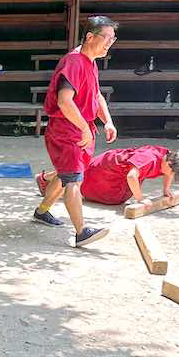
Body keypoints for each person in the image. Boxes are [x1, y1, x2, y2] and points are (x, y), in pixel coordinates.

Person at [32, 15, 118, 247]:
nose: (110, 43)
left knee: (64, 176)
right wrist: (84, 128)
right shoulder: (74, 62)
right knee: (73, 180)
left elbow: (96, 95)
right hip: (67, 130)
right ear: (90, 37)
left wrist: (107, 121)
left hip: (79, 128)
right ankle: (82, 232)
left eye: (113, 38)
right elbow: (64, 101)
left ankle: (42, 211)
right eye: (106, 38)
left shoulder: (90, 61)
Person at [78, 145, 179, 206]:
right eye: (173, 171)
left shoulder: (168, 159)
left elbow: (169, 173)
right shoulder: (149, 159)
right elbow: (131, 176)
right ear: (169, 163)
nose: (171, 174)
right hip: (106, 168)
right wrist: (140, 198)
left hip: (121, 172)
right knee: (110, 199)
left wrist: (166, 190)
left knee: (119, 198)